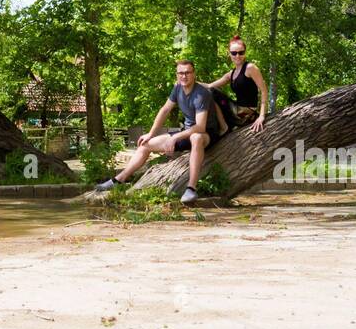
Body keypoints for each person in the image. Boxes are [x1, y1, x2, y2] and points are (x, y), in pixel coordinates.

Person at [95, 59, 226, 204]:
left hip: (207, 134)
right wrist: (151, 133)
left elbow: (200, 127)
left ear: (194, 74)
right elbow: (165, 110)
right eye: (180, 73)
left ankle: (191, 189)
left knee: (196, 137)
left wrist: (174, 137)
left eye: (187, 72)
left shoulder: (202, 94)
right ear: (176, 75)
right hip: (186, 132)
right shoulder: (177, 89)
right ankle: (119, 180)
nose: (184, 76)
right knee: (145, 144)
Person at [204, 35, 267, 132]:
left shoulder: (250, 68)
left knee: (212, 92)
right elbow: (209, 85)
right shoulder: (231, 74)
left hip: (247, 113)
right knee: (209, 92)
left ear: (245, 53)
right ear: (229, 54)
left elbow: (263, 90)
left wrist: (262, 116)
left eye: (241, 53)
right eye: (234, 53)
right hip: (236, 110)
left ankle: (224, 127)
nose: (237, 56)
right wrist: (187, 83)